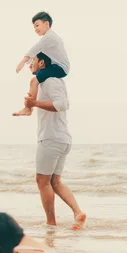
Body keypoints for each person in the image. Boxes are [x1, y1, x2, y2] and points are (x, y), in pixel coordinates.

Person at [24, 52, 86, 230]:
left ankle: (51, 224)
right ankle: (77, 213)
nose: (30, 65)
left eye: (33, 61)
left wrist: (34, 104)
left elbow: (62, 105)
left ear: (42, 63)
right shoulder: (54, 81)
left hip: (51, 139)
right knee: (55, 182)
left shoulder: (49, 81)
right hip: (62, 139)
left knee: (42, 181)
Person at [13, 11, 70, 117]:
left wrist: (23, 61)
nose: (35, 29)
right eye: (34, 27)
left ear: (47, 24)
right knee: (35, 79)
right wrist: (30, 62)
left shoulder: (50, 37)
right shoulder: (50, 39)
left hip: (60, 68)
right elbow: (38, 53)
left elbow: (36, 48)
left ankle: (28, 109)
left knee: (34, 81)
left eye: (37, 25)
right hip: (58, 67)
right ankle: (28, 108)